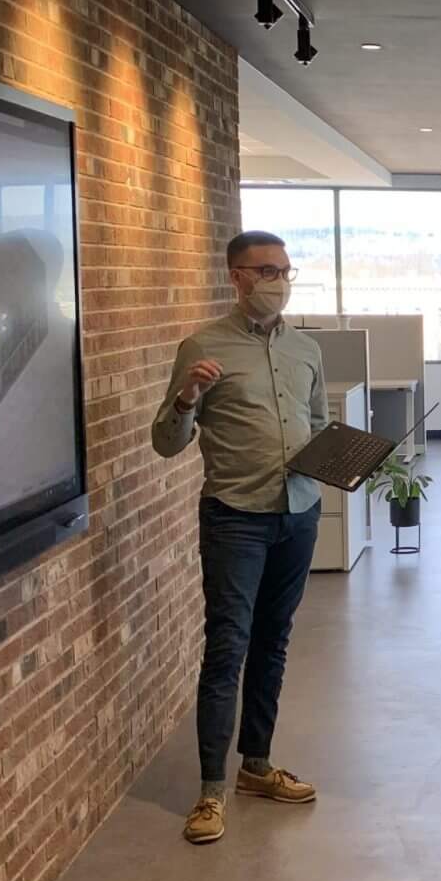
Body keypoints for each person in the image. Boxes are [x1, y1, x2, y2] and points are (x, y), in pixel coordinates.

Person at [152, 230, 328, 846]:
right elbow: (166, 441)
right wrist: (187, 397)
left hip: (298, 511)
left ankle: (256, 765)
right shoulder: (203, 346)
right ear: (237, 277)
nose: (278, 280)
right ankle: (209, 791)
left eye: (286, 269)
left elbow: (320, 423)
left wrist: (340, 460)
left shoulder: (306, 348)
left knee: (274, 643)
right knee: (228, 647)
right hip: (236, 517)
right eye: (266, 270)